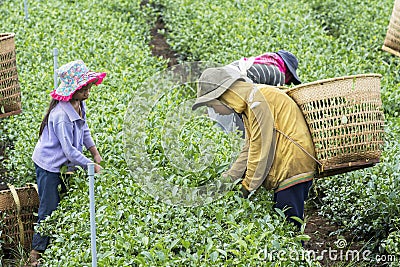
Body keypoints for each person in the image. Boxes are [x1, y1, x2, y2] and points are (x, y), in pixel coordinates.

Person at [192, 67, 316, 231]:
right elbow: (249, 148)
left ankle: (298, 256)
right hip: (286, 164)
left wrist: (247, 188)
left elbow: (260, 151)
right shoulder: (250, 104)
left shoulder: (258, 102)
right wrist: (228, 178)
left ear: (221, 97)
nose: (214, 110)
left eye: (211, 105)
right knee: (283, 219)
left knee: (289, 225)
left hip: (292, 165)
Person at [29, 60, 106, 266]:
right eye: (84, 89)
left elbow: (84, 130)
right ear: (74, 90)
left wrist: (95, 154)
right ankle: (35, 254)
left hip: (63, 164)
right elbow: (70, 151)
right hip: (49, 165)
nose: (88, 92)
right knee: (49, 207)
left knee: (63, 201)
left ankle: (52, 245)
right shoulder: (61, 115)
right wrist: (92, 166)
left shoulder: (79, 104)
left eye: (89, 87)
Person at [210, 50, 301, 135]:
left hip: (213, 86)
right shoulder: (277, 72)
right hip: (230, 88)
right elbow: (277, 104)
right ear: (288, 71)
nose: (286, 82)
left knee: (219, 132)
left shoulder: (258, 63)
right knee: (236, 135)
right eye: (289, 79)